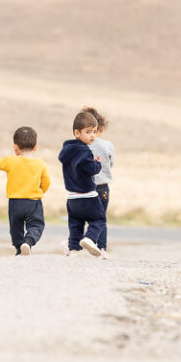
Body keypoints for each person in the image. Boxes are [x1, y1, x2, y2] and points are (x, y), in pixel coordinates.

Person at [0, 126, 50, 255]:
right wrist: (40, 192)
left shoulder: (10, 161)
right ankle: (28, 242)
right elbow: (46, 182)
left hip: (15, 201)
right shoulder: (40, 164)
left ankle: (19, 247)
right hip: (33, 202)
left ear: (15, 147)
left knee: (15, 227)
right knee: (36, 225)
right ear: (35, 147)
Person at [58, 111, 105, 258]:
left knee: (75, 224)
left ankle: (73, 250)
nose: (93, 135)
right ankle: (90, 239)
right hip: (88, 196)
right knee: (98, 219)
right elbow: (91, 169)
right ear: (76, 133)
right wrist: (97, 164)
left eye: (94, 132)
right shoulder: (84, 150)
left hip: (72, 198)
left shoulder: (67, 151)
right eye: (88, 132)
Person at [82, 107, 114, 255]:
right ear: (100, 128)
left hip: (85, 187)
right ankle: (102, 249)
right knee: (101, 219)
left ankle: (77, 244)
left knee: (82, 218)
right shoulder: (107, 145)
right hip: (103, 188)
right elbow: (110, 163)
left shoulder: (81, 145)